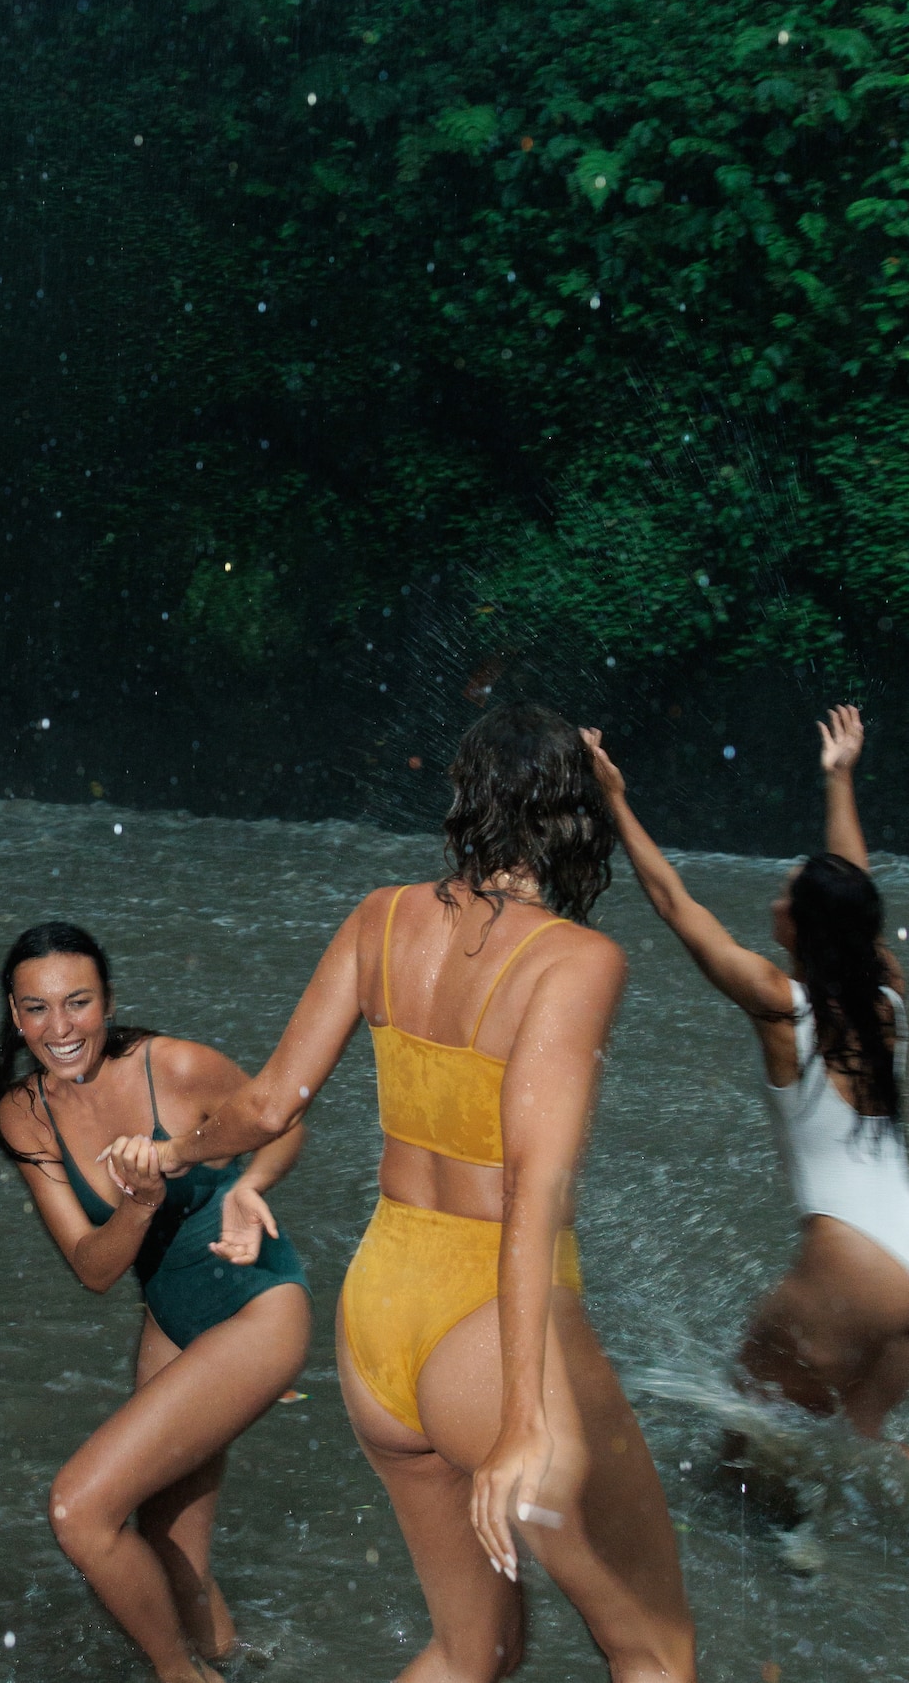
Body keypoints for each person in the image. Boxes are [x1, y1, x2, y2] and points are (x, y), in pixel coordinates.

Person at [104, 703, 696, 1683]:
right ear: (575, 820)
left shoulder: (380, 918)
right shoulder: (577, 960)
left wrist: (168, 1154)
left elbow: (263, 1102)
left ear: (468, 802)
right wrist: (521, 1421)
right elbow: (532, 1190)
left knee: (473, 1655)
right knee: (654, 1650)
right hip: (489, 1327)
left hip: (379, 1312)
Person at [0, 921, 311, 1683]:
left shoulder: (172, 1065)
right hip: (170, 1314)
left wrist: (251, 1187)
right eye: (36, 1008)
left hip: (257, 1302)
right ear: (13, 1014)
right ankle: (231, 1663)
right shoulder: (23, 1114)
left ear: (107, 1002)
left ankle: (179, 1675)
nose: (59, 1028)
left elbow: (280, 1117)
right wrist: (136, 1206)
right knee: (164, 1537)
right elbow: (93, 1269)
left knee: (79, 1509)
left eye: (77, 1002)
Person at [587, 706, 909, 1443]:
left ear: (801, 924)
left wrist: (613, 798)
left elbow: (673, 901)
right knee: (849, 1456)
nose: (772, 901)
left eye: (784, 895)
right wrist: (838, 779)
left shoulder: (779, 1007)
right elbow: (851, 888)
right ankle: (812, 1556)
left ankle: (791, 1554)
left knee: (743, 1443)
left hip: (849, 1271)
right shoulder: (885, 998)